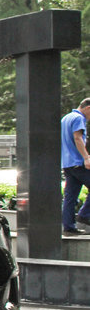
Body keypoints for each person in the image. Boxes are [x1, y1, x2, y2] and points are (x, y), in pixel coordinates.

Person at [61, 98, 90, 235]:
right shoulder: (79, 118)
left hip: (67, 164)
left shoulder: (66, 118)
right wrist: (86, 157)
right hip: (78, 162)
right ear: (88, 108)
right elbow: (78, 138)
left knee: (70, 197)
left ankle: (69, 227)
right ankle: (84, 215)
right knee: (70, 196)